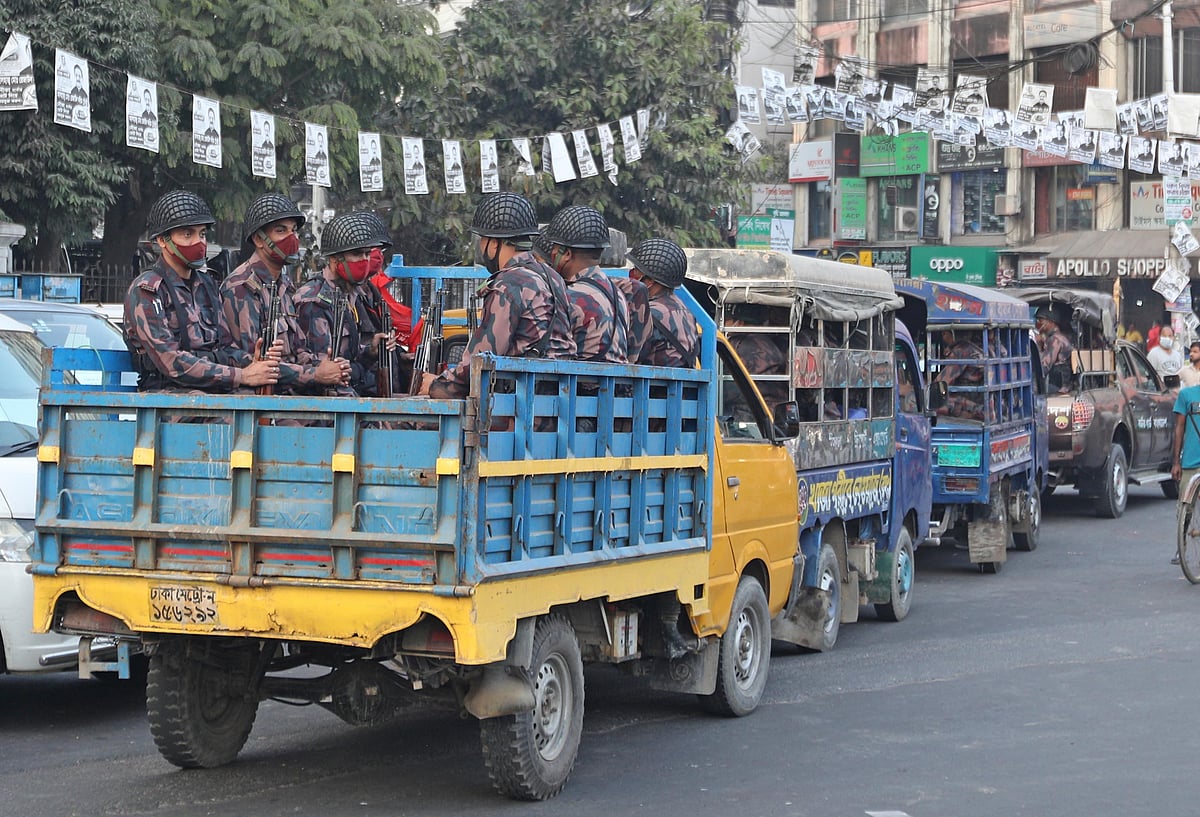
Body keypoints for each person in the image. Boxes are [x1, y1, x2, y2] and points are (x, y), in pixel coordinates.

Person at [123, 190, 280, 392]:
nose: (199, 242)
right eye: (188, 234)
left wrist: (255, 363)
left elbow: (226, 348)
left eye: (202, 234)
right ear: (163, 240)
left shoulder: (208, 286)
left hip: (212, 390)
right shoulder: (147, 290)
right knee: (231, 418)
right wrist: (242, 375)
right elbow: (170, 362)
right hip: (166, 397)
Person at [425, 193, 575, 398]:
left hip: (523, 408)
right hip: (561, 401)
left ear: (494, 243)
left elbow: (480, 359)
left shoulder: (508, 284)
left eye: (483, 240)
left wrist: (436, 385)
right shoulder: (553, 277)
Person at [218, 193, 349, 394]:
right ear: (258, 240)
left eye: (294, 230)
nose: (292, 238)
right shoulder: (241, 287)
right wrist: (314, 375)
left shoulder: (283, 285)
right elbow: (250, 360)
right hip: (259, 395)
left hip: (290, 389)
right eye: (281, 231)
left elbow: (298, 351)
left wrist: (328, 367)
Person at [294, 212, 391, 396]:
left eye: (366, 253)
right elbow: (326, 373)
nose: (364, 260)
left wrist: (371, 351)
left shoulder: (352, 295)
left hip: (347, 395)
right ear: (334, 259)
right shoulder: (315, 300)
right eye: (356, 254)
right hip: (322, 408)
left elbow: (349, 360)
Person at [538, 205, 628, 363]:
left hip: (579, 385)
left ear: (566, 254)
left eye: (554, 249)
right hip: (613, 385)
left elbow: (553, 356)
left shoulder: (570, 296)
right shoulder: (618, 294)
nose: (551, 254)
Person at [627, 238, 698, 368]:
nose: (630, 280)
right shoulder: (686, 312)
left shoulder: (648, 313)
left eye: (634, 274)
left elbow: (627, 358)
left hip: (648, 387)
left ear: (649, 282)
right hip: (677, 387)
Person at [1171, 377, 1200, 562]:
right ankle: (1181, 547)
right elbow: (1179, 428)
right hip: (1191, 460)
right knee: (1185, 508)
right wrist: (1176, 461)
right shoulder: (1186, 395)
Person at [935, 328, 986, 420]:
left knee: (916, 399)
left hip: (973, 405)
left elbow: (940, 386)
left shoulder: (961, 350)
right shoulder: (977, 348)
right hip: (980, 402)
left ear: (945, 333)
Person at [1035, 307, 1074, 394]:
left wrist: (1037, 345)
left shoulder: (1055, 340)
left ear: (1051, 322)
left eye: (1041, 320)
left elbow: (1043, 368)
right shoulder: (1061, 337)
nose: (1038, 323)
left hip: (1058, 389)